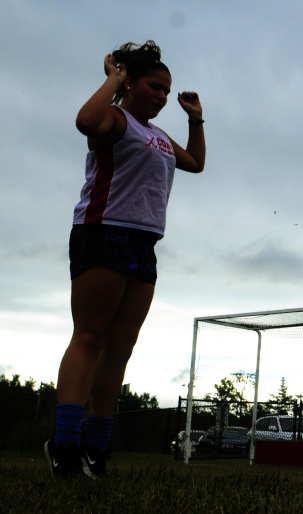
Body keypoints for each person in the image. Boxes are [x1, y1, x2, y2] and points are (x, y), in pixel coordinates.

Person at [45, 41, 206, 479]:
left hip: (144, 242)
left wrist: (195, 119)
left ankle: (95, 449)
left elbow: (194, 162)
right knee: (91, 336)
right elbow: (84, 121)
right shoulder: (115, 119)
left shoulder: (157, 135)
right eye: (155, 86)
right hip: (103, 232)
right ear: (130, 82)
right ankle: (64, 445)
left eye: (167, 91)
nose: (162, 96)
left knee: (121, 347)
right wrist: (112, 77)